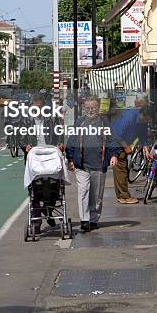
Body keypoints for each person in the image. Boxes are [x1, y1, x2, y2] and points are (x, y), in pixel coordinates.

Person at [66, 96, 120, 232]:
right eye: (88, 108)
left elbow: (112, 140)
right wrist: (70, 158)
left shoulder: (104, 123)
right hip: (82, 165)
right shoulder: (79, 122)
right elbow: (72, 140)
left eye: (93, 107)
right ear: (84, 108)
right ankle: (84, 220)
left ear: (98, 108)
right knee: (83, 191)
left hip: (99, 164)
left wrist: (114, 155)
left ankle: (94, 219)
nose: (90, 110)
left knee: (96, 196)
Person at [20, 93, 63, 232]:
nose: (38, 109)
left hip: (50, 156)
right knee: (35, 192)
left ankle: (48, 210)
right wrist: (24, 146)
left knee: (53, 186)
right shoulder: (25, 120)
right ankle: (37, 223)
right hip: (34, 158)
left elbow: (59, 133)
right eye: (35, 106)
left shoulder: (51, 118)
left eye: (40, 106)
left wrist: (60, 143)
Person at [111, 104, 152, 204]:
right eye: (146, 120)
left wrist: (146, 150)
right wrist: (125, 147)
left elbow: (143, 135)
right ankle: (124, 197)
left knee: (121, 169)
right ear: (142, 115)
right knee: (121, 169)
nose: (146, 122)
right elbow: (116, 134)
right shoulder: (129, 117)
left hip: (123, 142)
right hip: (116, 142)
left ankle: (121, 195)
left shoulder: (142, 121)